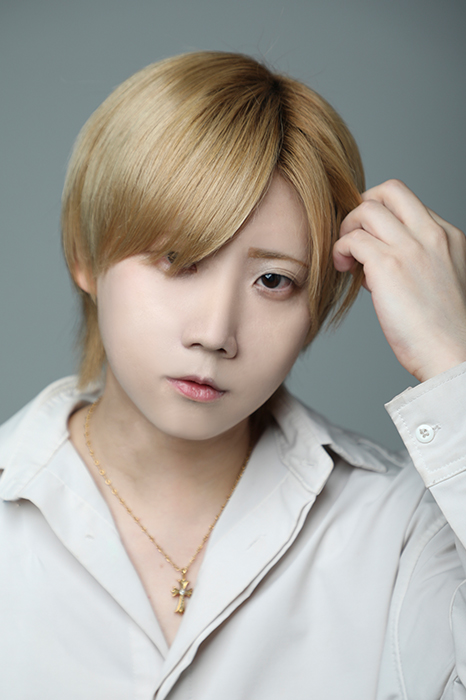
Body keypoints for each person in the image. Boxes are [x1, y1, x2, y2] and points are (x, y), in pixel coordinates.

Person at [1, 51, 465, 699]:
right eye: (179, 259)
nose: (215, 332)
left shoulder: (404, 531)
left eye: (273, 280)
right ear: (86, 255)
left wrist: (451, 362)